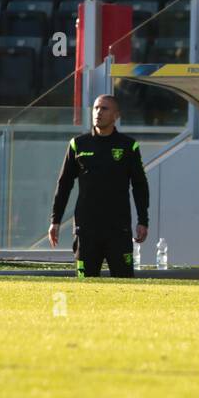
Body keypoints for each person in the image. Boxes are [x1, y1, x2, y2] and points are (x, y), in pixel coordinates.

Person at [48, 95, 150, 279]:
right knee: (85, 284)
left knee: (125, 285)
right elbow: (64, 185)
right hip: (86, 228)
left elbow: (140, 185)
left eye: (104, 109)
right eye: (96, 108)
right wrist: (55, 220)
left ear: (116, 115)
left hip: (118, 229)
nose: (98, 113)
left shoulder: (128, 146)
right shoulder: (78, 144)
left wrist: (143, 220)